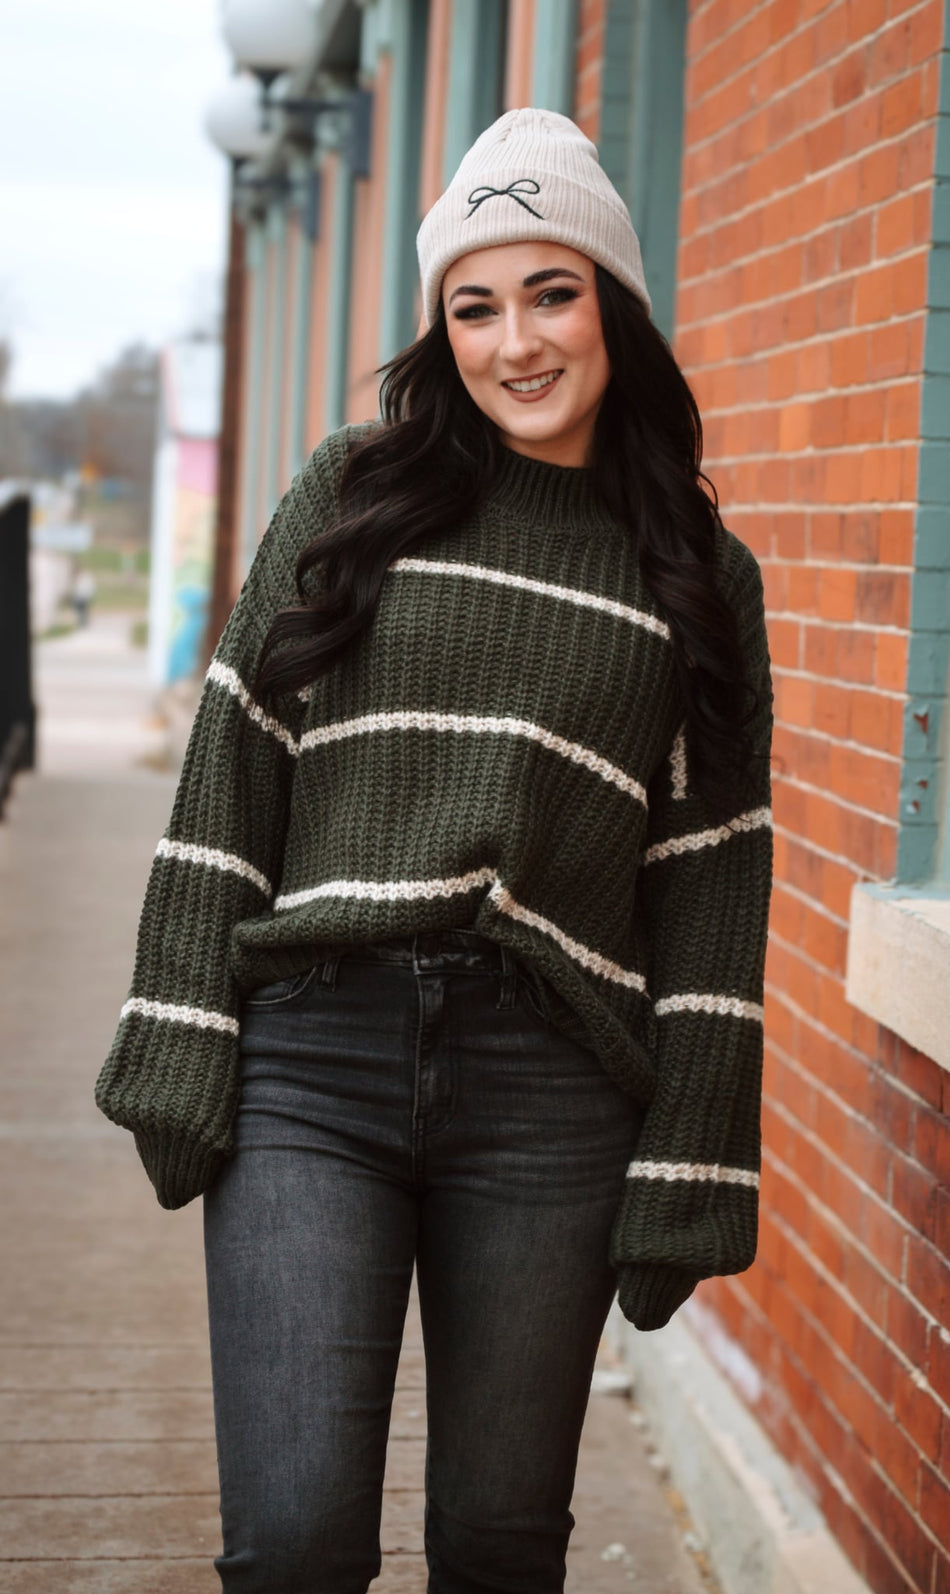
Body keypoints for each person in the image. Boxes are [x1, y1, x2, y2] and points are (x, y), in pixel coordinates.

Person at [94, 108, 773, 1594]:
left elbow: (714, 877)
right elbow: (233, 762)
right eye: (474, 304)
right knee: (292, 1541)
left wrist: (695, 1153)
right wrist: (178, 1026)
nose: (514, 341)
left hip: (551, 1091)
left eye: (551, 292)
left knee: (500, 1540)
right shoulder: (354, 493)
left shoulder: (698, 576)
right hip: (310, 1061)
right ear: (442, 329)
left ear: (614, 305)